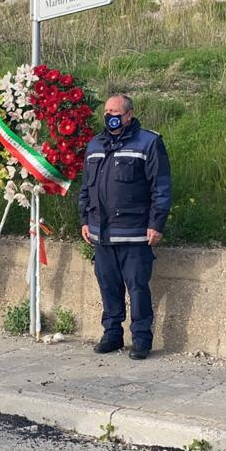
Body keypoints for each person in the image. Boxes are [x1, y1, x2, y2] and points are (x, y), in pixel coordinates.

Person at [79, 94, 172, 360]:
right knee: (108, 285)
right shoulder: (95, 144)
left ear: (128, 114)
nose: (110, 115)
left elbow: (161, 187)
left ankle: (141, 338)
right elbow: (86, 187)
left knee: (137, 287)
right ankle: (112, 333)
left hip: (134, 232)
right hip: (102, 233)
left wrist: (157, 224)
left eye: (115, 110)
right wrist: (84, 219)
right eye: (107, 111)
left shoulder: (149, 142)